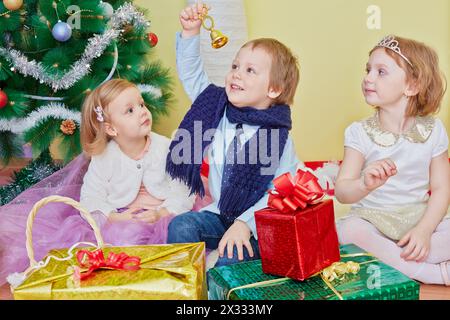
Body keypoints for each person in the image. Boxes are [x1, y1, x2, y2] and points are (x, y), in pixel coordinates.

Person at [0, 79, 194, 286]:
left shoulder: (167, 148)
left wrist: (161, 213)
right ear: (111, 129)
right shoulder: (104, 158)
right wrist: (114, 218)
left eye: (142, 104)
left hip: (164, 216)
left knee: (180, 237)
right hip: (122, 219)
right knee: (112, 248)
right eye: (130, 110)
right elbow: (91, 197)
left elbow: (184, 190)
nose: (142, 111)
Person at [166, 2, 302, 267]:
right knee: (181, 227)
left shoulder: (277, 137)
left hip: (260, 224)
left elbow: (278, 194)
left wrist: (244, 224)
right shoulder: (218, 108)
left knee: (231, 256)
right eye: (235, 66)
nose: (236, 75)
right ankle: (185, 287)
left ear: (273, 89)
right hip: (220, 213)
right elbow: (192, 74)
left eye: (250, 70)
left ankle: (224, 287)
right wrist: (191, 34)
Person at [335, 35, 450, 285]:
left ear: (412, 86)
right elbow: (343, 191)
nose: (368, 78)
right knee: (349, 232)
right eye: (368, 70)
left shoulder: (434, 130)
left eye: (381, 72)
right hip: (372, 219)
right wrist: (364, 184)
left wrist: (424, 230)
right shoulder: (359, 132)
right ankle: (432, 273)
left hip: (419, 217)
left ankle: (395, 260)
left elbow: (441, 189)